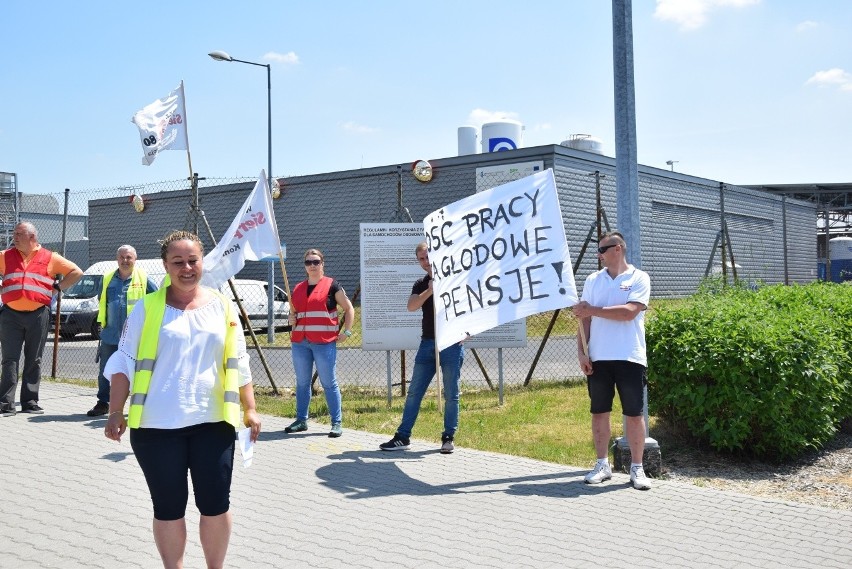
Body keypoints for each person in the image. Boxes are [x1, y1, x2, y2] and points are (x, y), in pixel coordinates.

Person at [103, 230, 261, 568]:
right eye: (178, 262)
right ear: (165, 266)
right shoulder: (147, 308)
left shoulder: (222, 304)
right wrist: (115, 410)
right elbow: (124, 363)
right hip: (157, 427)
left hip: (213, 424)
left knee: (216, 504)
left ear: (203, 261)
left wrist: (251, 409)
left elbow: (239, 359)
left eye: (193, 260)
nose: (187, 267)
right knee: (169, 507)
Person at [572, 231, 652, 490]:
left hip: (630, 356)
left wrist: (592, 310)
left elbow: (629, 313)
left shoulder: (639, 278)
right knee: (599, 413)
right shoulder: (593, 280)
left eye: (603, 249)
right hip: (599, 358)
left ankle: (637, 468)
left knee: (633, 413)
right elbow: (583, 319)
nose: (599, 254)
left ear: (618, 249)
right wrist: (582, 353)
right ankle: (601, 464)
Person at [380, 242, 464, 454]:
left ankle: (448, 437)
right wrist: (430, 290)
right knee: (414, 392)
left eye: (428, 257)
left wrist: (467, 332)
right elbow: (411, 306)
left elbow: (470, 306)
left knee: (451, 393)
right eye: (421, 259)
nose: (426, 262)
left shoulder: (455, 278)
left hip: (451, 343)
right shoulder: (420, 284)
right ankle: (403, 437)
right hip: (427, 344)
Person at [0, 221, 83, 416]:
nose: (14, 237)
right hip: (10, 315)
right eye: (14, 233)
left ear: (32, 237)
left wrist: (58, 288)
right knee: (9, 359)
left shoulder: (50, 257)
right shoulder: (5, 256)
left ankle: (29, 402)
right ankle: (5, 403)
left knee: (34, 359)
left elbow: (76, 272)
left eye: (19, 233)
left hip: (38, 314)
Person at [285, 248, 354, 438]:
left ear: (322, 263)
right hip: (300, 342)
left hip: (324, 342)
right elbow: (295, 314)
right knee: (302, 383)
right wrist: (291, 319)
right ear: (305, 266)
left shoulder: (332, 285)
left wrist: (346, 332)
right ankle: (301, 420)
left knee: (329, 383)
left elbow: (349, 309)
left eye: (316, 261)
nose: (312, 265)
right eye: (308, 262)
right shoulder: (298, 288)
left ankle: (336, 423)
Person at [86, 245, 158, 417]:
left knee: (137, 370)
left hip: (135, 336)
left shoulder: (143, 278)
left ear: (135, 259)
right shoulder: (107, 278)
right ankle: (103, 403)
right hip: (110, 334)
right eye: (122, 257)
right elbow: (101, 299)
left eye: (129, 257)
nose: (125, 261)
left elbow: (157, 298)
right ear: (117, 259)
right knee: (105, 370)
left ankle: (139, 403)